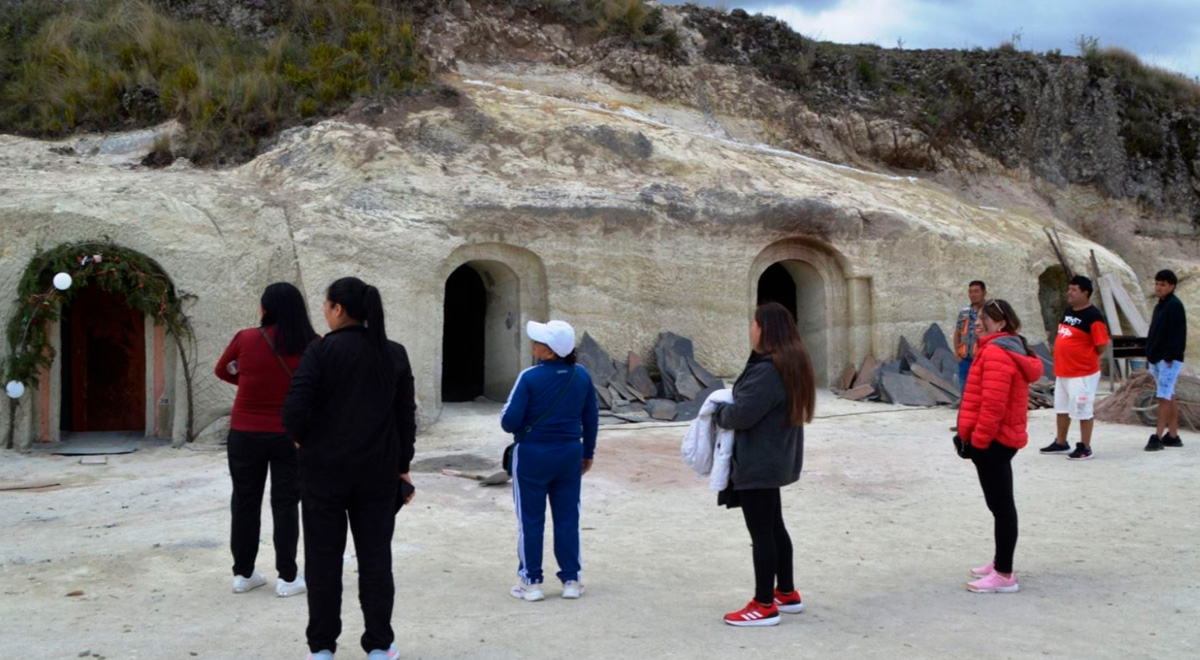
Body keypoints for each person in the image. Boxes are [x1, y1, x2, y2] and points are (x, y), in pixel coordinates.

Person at [282, 277, 416, 660]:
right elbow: (405, 417)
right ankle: (379, 645)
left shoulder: (320, 352)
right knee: (376, 560)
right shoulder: (394, 353)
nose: (323, 312)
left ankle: (322, 648)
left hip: (323, 473)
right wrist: (402, 467)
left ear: (337, 309)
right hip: (377, 473)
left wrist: (303, 441)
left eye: (325, 305)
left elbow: (294, 410)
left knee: (323, 561)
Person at [713, 302, 814, 627]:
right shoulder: (789, 362)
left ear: (765, 329)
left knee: (762, 533)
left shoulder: (769, 369)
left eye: (754, 324)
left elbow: (742, 414)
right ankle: (786, 592)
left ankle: (764, 604)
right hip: (775, 457)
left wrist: (718, 413)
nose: (750, 329)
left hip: (760, 460)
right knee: (774, 526)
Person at [215, 282, 318, 598]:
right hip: (291, 435)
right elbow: (321, 387)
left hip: (245, 432)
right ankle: (288, 577)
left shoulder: (246, 338)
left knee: (244, 501)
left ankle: (243, 574)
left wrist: (247, 381)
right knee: (286, 503)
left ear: (266, 308)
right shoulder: (313, 344)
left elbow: (222, 370)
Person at [501, 320, 599, 602]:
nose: (533, 345)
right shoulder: (581, 376)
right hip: (569, 453)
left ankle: (531, 582)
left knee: (530, 520)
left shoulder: (529, 377)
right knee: (568, 518)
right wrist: (588, 452)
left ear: (550, 352)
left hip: (532, 454)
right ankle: (571, 579)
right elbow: (590, 418)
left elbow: (509, 422)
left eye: (539, 342)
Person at [955, 300, 1043, 593]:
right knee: (998, 506)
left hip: (993, 441)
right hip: (997, 439)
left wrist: (977, 442)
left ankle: (1004, 575)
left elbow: (992, 405)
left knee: (1002, 507)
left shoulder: (996, 352)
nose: (977, 323)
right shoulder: (1004, 347)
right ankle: (999, 562)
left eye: (984, 319)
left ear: (1001, 323)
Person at [1040, 275, 1109, 460]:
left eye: (1073, 290)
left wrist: (1083, 357)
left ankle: (1085, 447)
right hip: (1063, 371)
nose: (1069, 293)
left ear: (1085, 293)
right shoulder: (1069, 311)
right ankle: (1061, 442)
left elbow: (1102, 344)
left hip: (1082, 373)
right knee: (1062, 409)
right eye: (1069, 289)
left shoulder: (1093, 316)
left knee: (1082, 409)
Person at [1145, 269, 1187, 451]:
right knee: (1169, 395)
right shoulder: (1160, 305)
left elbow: (1178, 333)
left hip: (1168, 359)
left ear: (1172, 286)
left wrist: (1170, 355)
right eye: (1157, 284)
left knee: (1163, 396)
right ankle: (1173, 435)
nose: (1158, 288)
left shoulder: (1174, 306)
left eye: (1163, 284)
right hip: (1157, 357)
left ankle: (1157, 435)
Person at [953, 281, 987, 392]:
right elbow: (957, 332)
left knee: (983, 388)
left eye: (976, 291)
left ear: (984, 293)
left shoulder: (990, 311)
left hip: (983, 358)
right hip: (964, 359)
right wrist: (957, 352)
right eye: (970, 292)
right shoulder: (964, 312)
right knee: (965, 389)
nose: (973, 295)